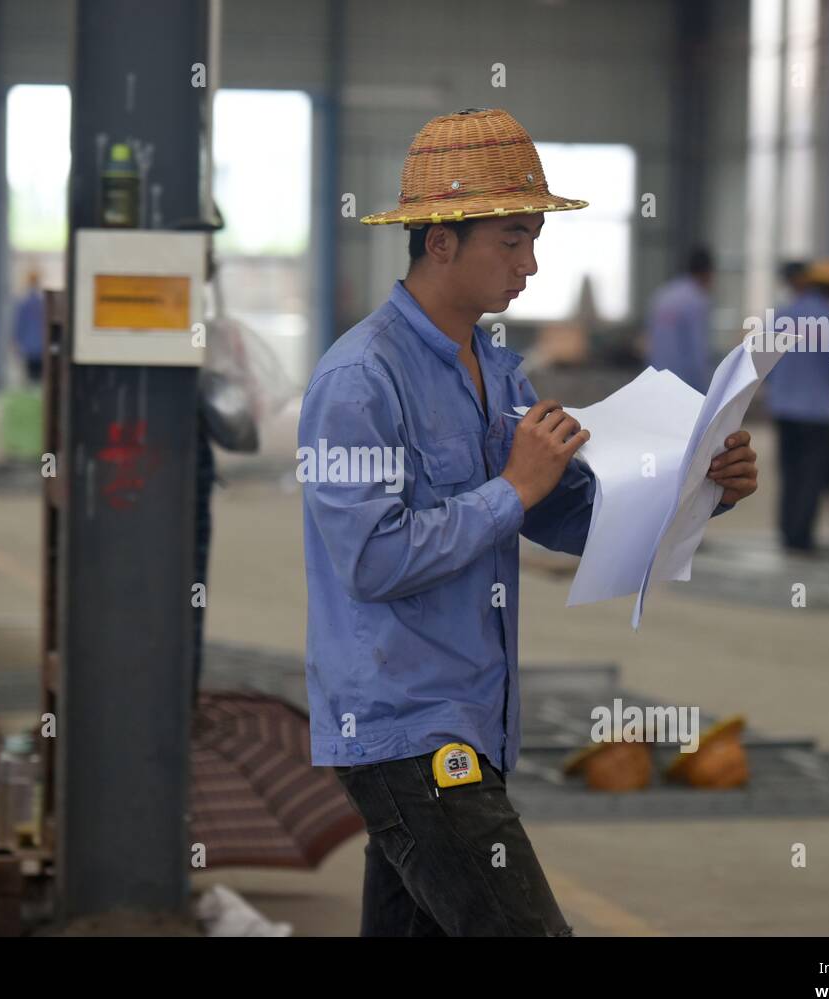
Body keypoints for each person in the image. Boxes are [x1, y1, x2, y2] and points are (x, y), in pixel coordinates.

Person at [299, 108, 760, 937]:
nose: (531, 264)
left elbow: (561, 514)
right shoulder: (358, 383)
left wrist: (705, 490)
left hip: (472, 720)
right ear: (440, 241)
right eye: (511, 240)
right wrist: (511, 487)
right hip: (408, 726)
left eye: (534, 237)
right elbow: (371, 561)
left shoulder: (497, 372)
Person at [766, 258, 829, 554]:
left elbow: (763, 364)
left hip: (783, 410)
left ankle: (786, 533)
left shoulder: (782, 316)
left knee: (790, 473)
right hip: (816, 413)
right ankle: (801, 538)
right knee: (812, 477)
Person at [645, 247, 715, 393]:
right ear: (707, 273)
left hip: (656, 382)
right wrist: (705, 394)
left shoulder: (662, 295)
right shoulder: (696, 301)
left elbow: (649, 342)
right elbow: (698, 354)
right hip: (682, 386)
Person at [12, 270, 46, 383]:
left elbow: (19, 325)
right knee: (40, 378)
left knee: (31, 378)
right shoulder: (42, 303)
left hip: (29, 347)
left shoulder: (24, 303)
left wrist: (16, 342)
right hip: (40, 346)